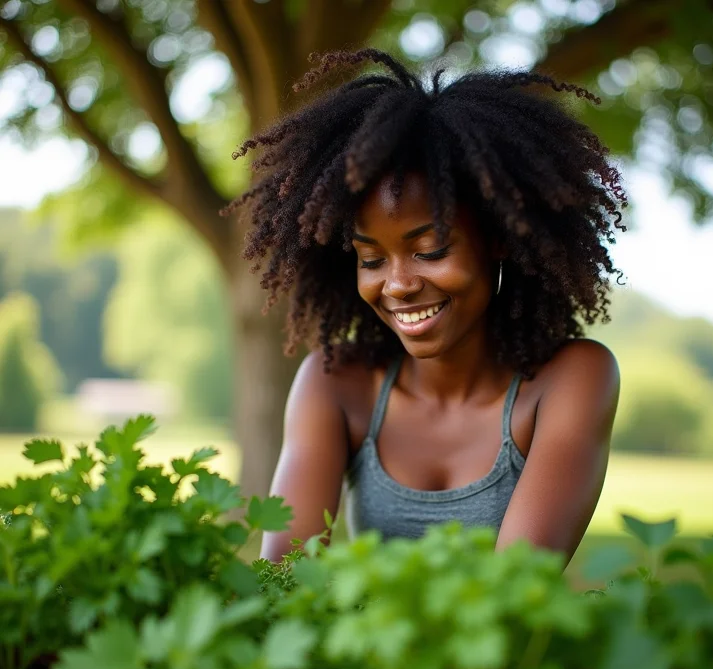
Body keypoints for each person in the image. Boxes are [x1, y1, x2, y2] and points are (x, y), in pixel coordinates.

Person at [225, 49, 626, 565]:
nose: (397, 284)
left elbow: (517, 595)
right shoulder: (335, 384)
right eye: (371, 258)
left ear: (499, 237)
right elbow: (281, 578)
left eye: (430, 250)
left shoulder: (571, 379)